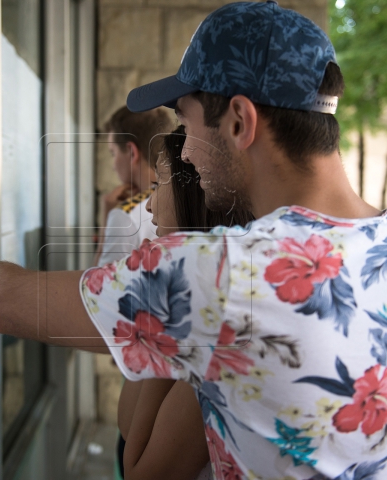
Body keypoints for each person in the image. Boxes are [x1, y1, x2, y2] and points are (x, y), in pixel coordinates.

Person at [0, 3, 387, 479]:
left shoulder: (224, 273)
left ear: (240, 122)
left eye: (187, 123)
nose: (184, 150)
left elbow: (12, 303)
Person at [117, 126, 253, 480]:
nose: (148, 204)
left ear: (192, 193)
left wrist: (163, 314)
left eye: (159, 183)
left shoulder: (217, 316)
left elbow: (139, 466)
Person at [93, 106, 170, 267]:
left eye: (113, 153)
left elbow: (98, 286)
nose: (113, 165)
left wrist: (107, 222)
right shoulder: (188, 196)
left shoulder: (125, 215)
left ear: (131, 151)